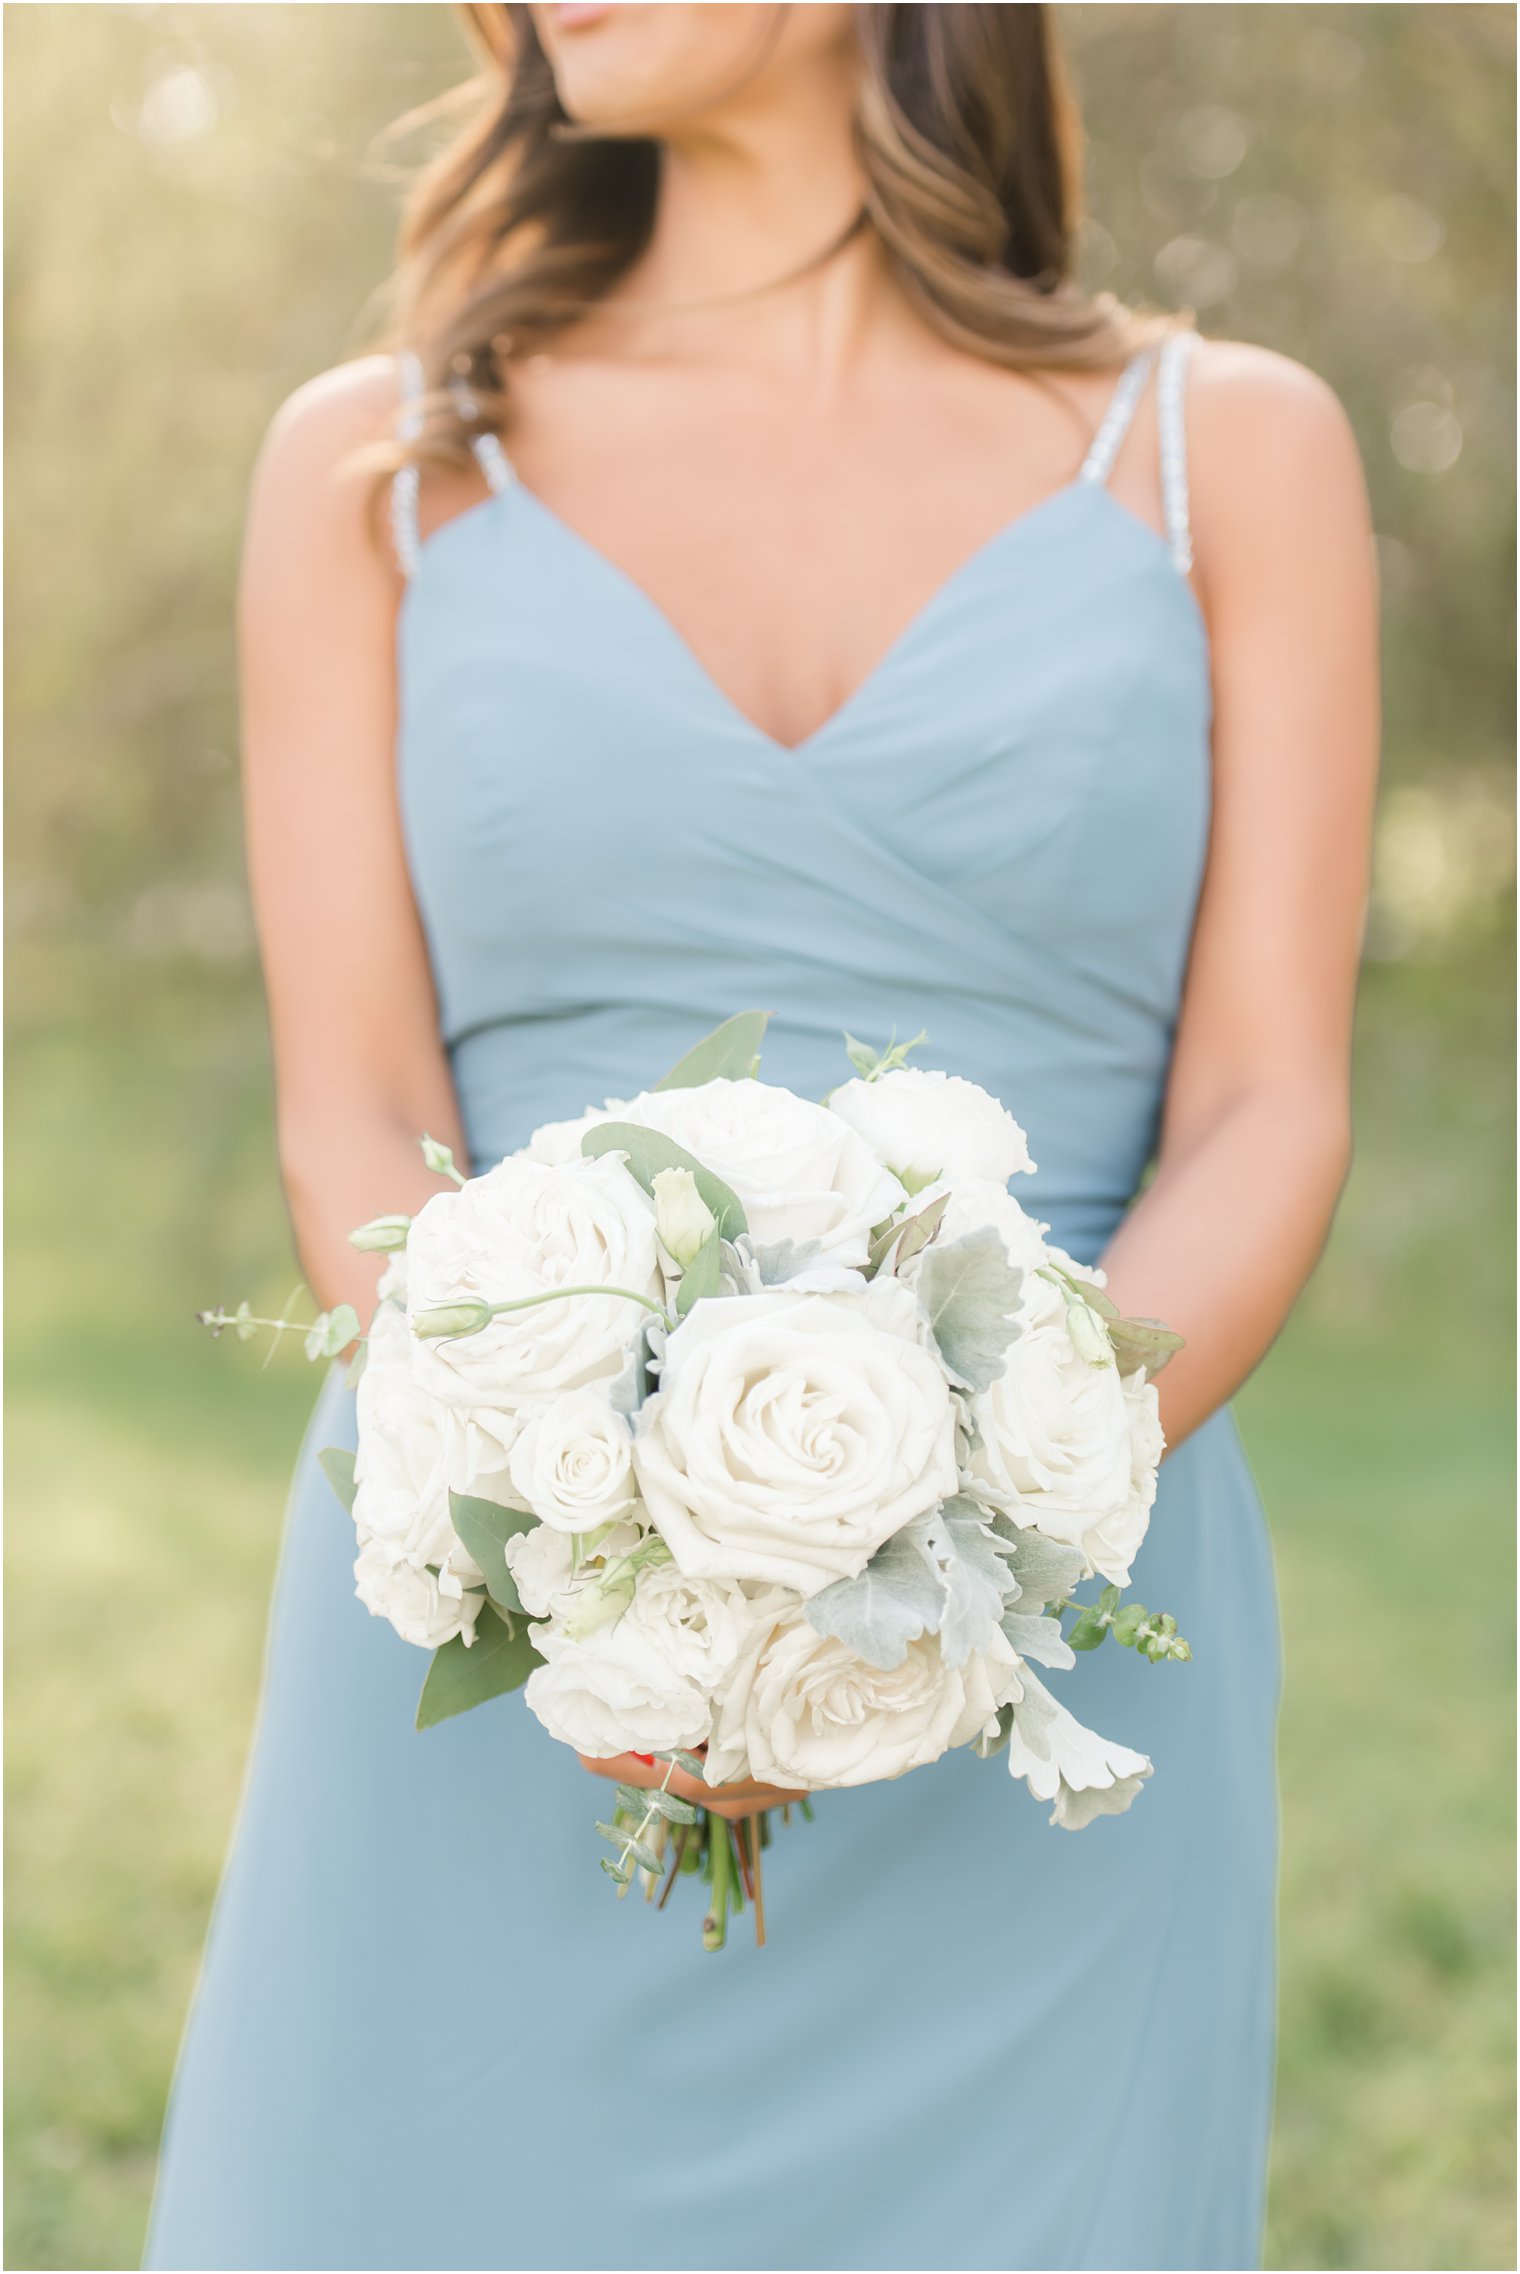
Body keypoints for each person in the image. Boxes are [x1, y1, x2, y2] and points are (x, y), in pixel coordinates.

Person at [146, 6, 1379, 2268]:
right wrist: (587, 1548)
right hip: (504, 1643)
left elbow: (1265, 1097)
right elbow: (357, 1104)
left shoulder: (1232, 453)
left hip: (1056, 1653)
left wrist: (974, 1522)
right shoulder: (383, 463)